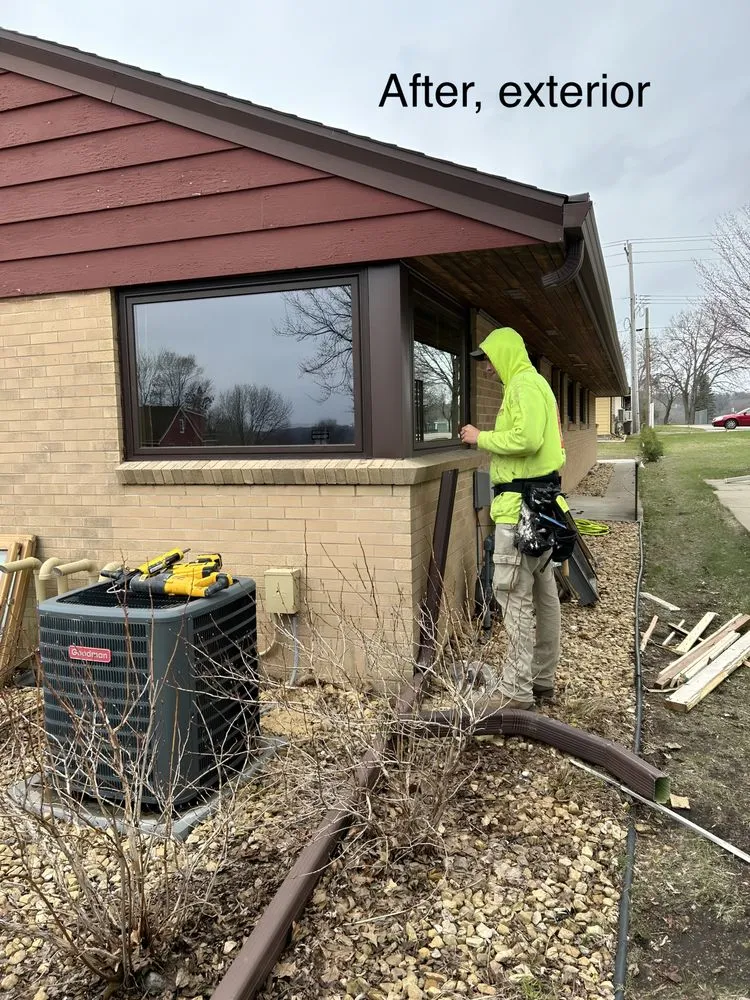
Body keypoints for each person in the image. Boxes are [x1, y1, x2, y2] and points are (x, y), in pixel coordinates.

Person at [459, 326, 566, 710]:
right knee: (543, 593)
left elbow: (527, 440)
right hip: (539, 507)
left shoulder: (523, 385)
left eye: (487, 359)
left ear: (503, 354)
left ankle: (516, 691)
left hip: (519, 510)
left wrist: (480, 438)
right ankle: (540, 681)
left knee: (514, 597)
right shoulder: (535, 386)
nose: (486, 369)